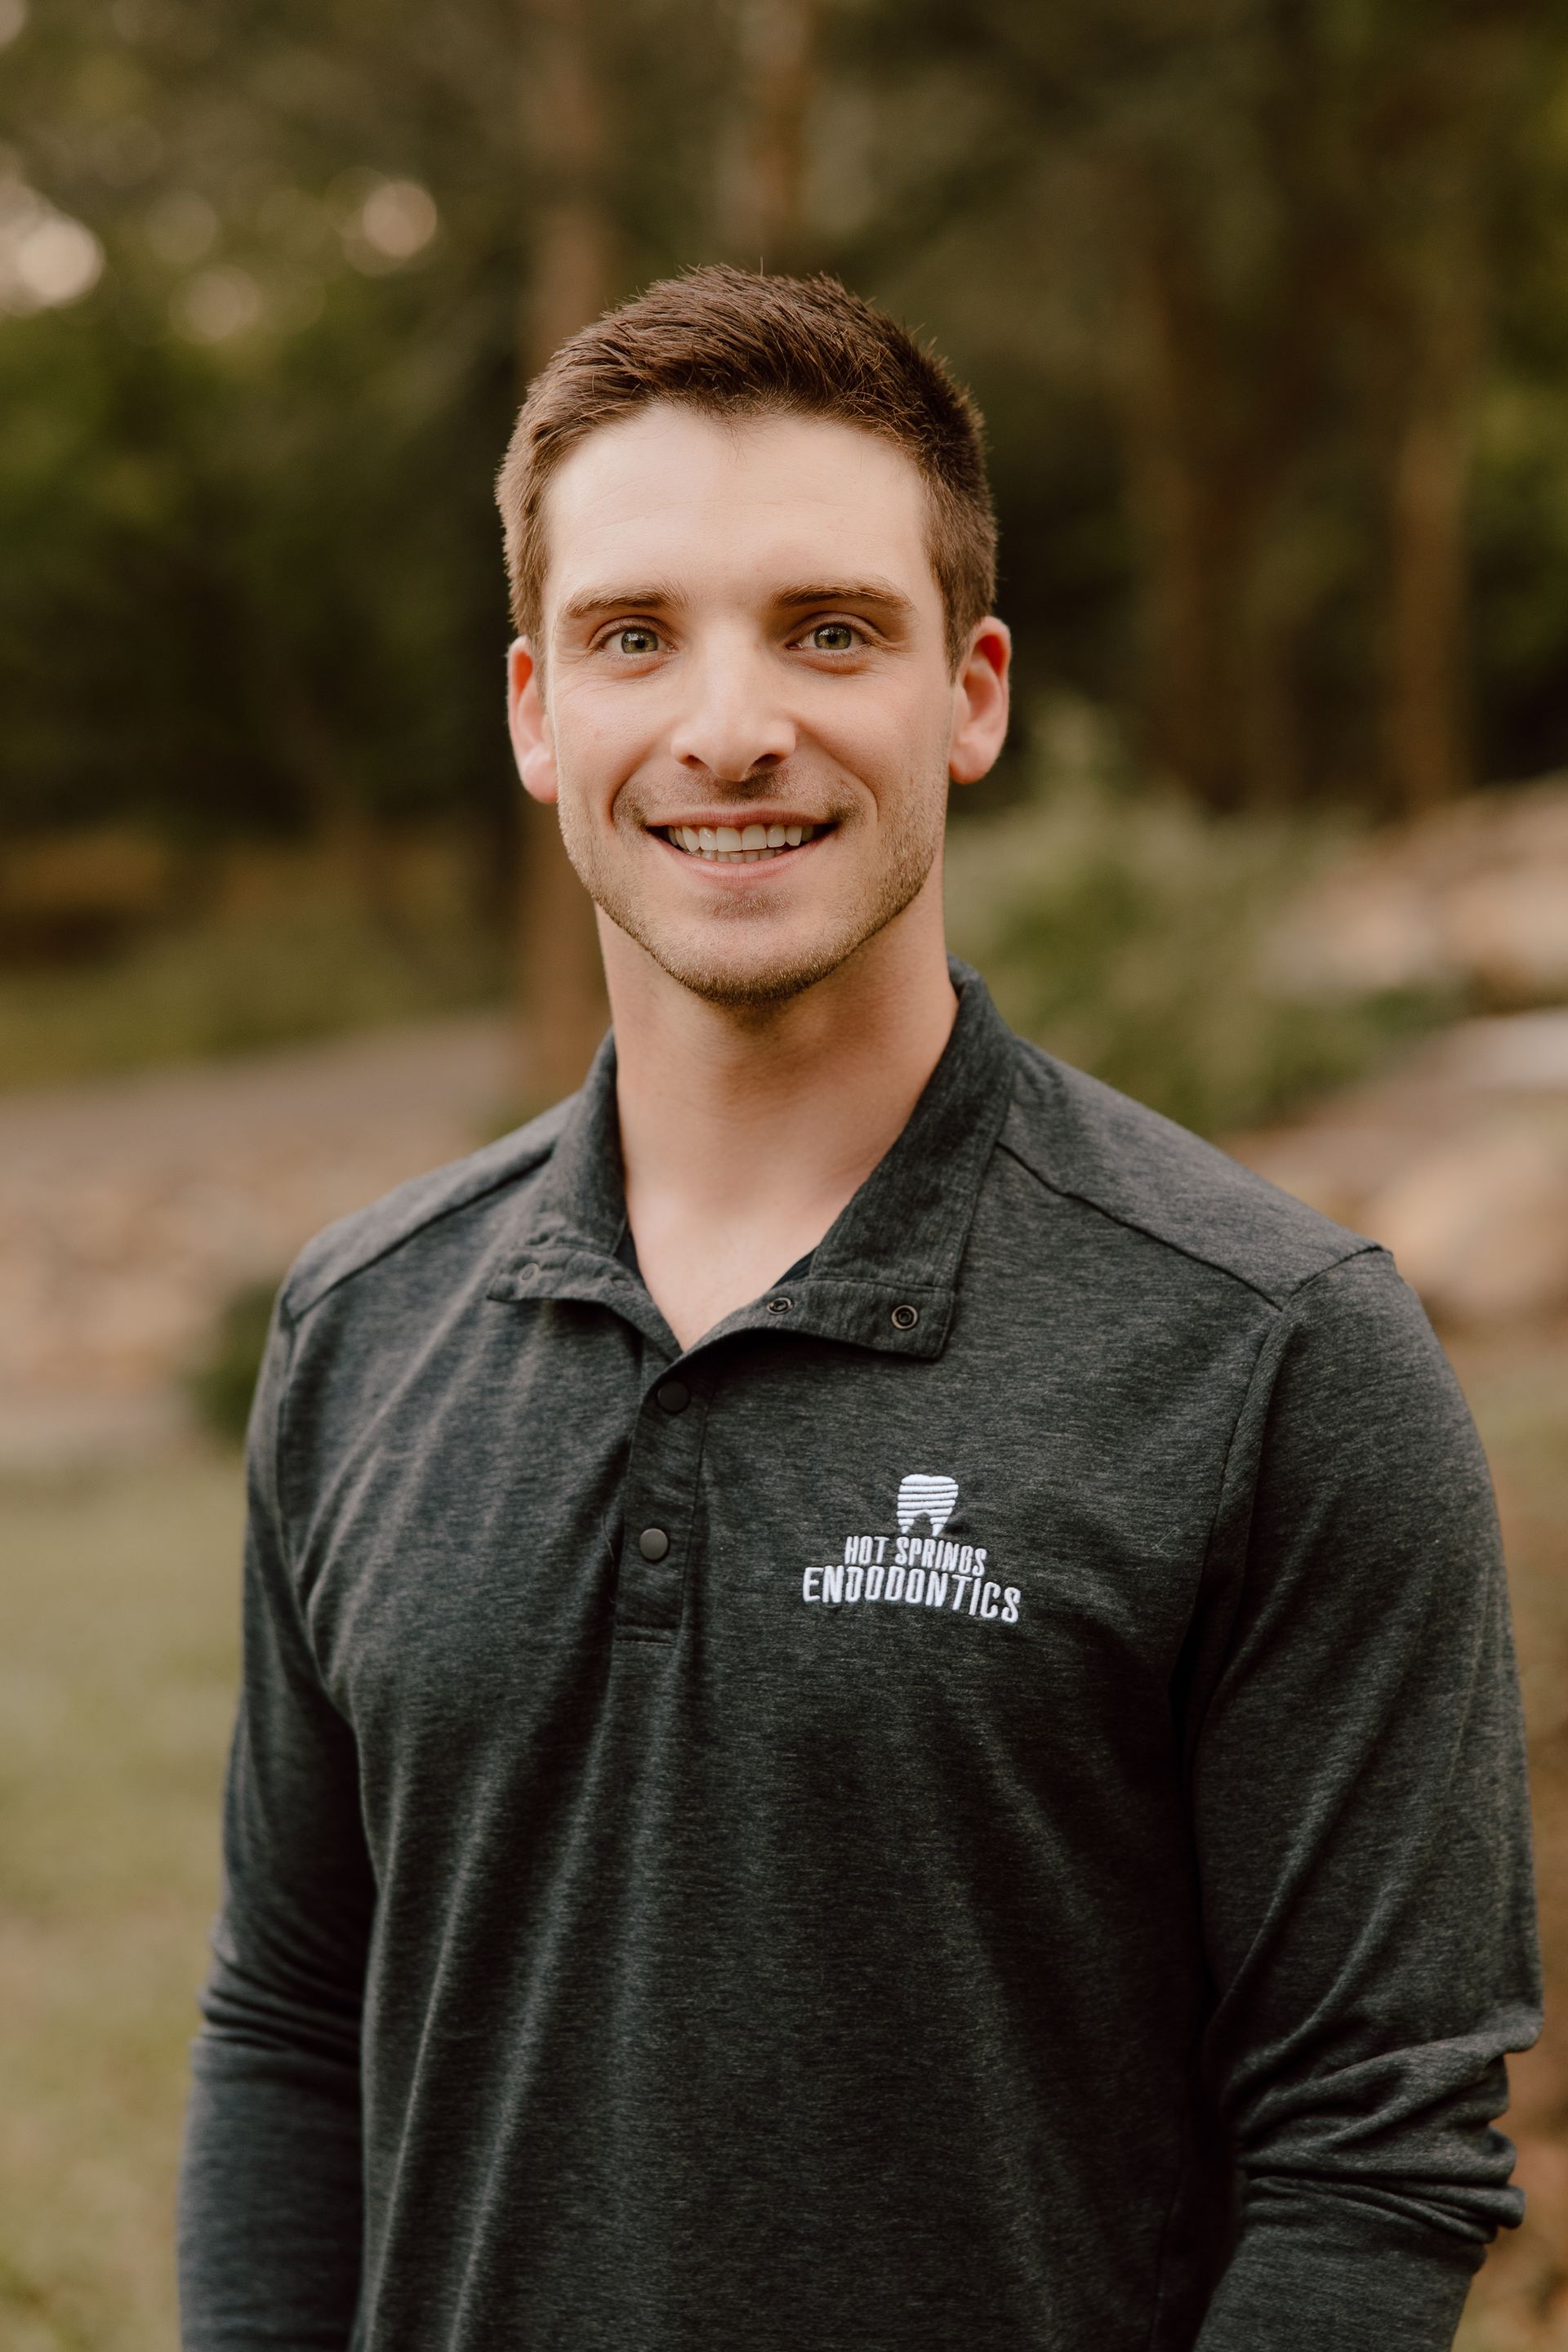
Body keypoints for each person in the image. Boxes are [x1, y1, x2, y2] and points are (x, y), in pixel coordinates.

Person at [178, 266, 1540, 2352]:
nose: (733, 724)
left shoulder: (1274, 1353)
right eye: (637, 636)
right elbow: (292, 2024)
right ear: (539, 710)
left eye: (831, 629)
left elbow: (1374, 2145)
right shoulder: (362, 1326)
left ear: (971, 694)